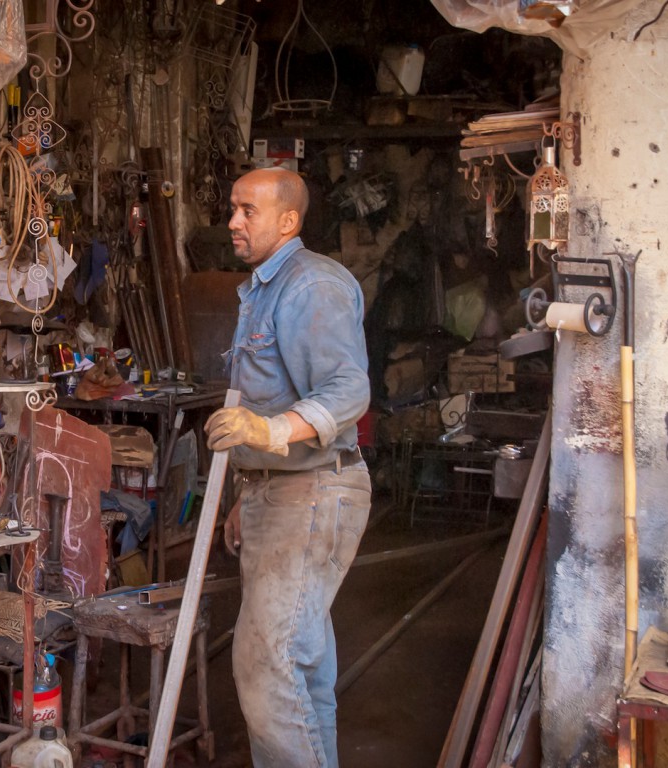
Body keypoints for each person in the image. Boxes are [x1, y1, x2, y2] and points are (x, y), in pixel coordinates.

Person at [204, 167, 372, 768]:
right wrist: (247, 493)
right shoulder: (265, 290)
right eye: (233, 208)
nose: (233, 221)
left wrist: (269, 433)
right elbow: (264, 394)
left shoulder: (310, 285)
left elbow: (350, 388)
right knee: (302, 669)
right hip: (282, 492)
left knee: (267, 668)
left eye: (247, 210)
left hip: (314, 489)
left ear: (288, 220)